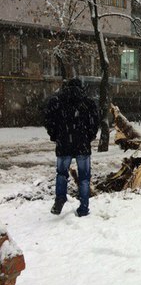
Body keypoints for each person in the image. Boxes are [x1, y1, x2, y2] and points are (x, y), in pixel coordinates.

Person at [44, 78, 100, 217]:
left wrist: (55, 135)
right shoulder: (88, 102)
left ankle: (60, 197)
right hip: (82, 144)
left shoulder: (57, 101)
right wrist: (89, 136)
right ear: (81, 87)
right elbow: (94, 123)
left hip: (64, 143)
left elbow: (49, 120)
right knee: (84, 177)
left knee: (61, 173)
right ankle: (84, 207)